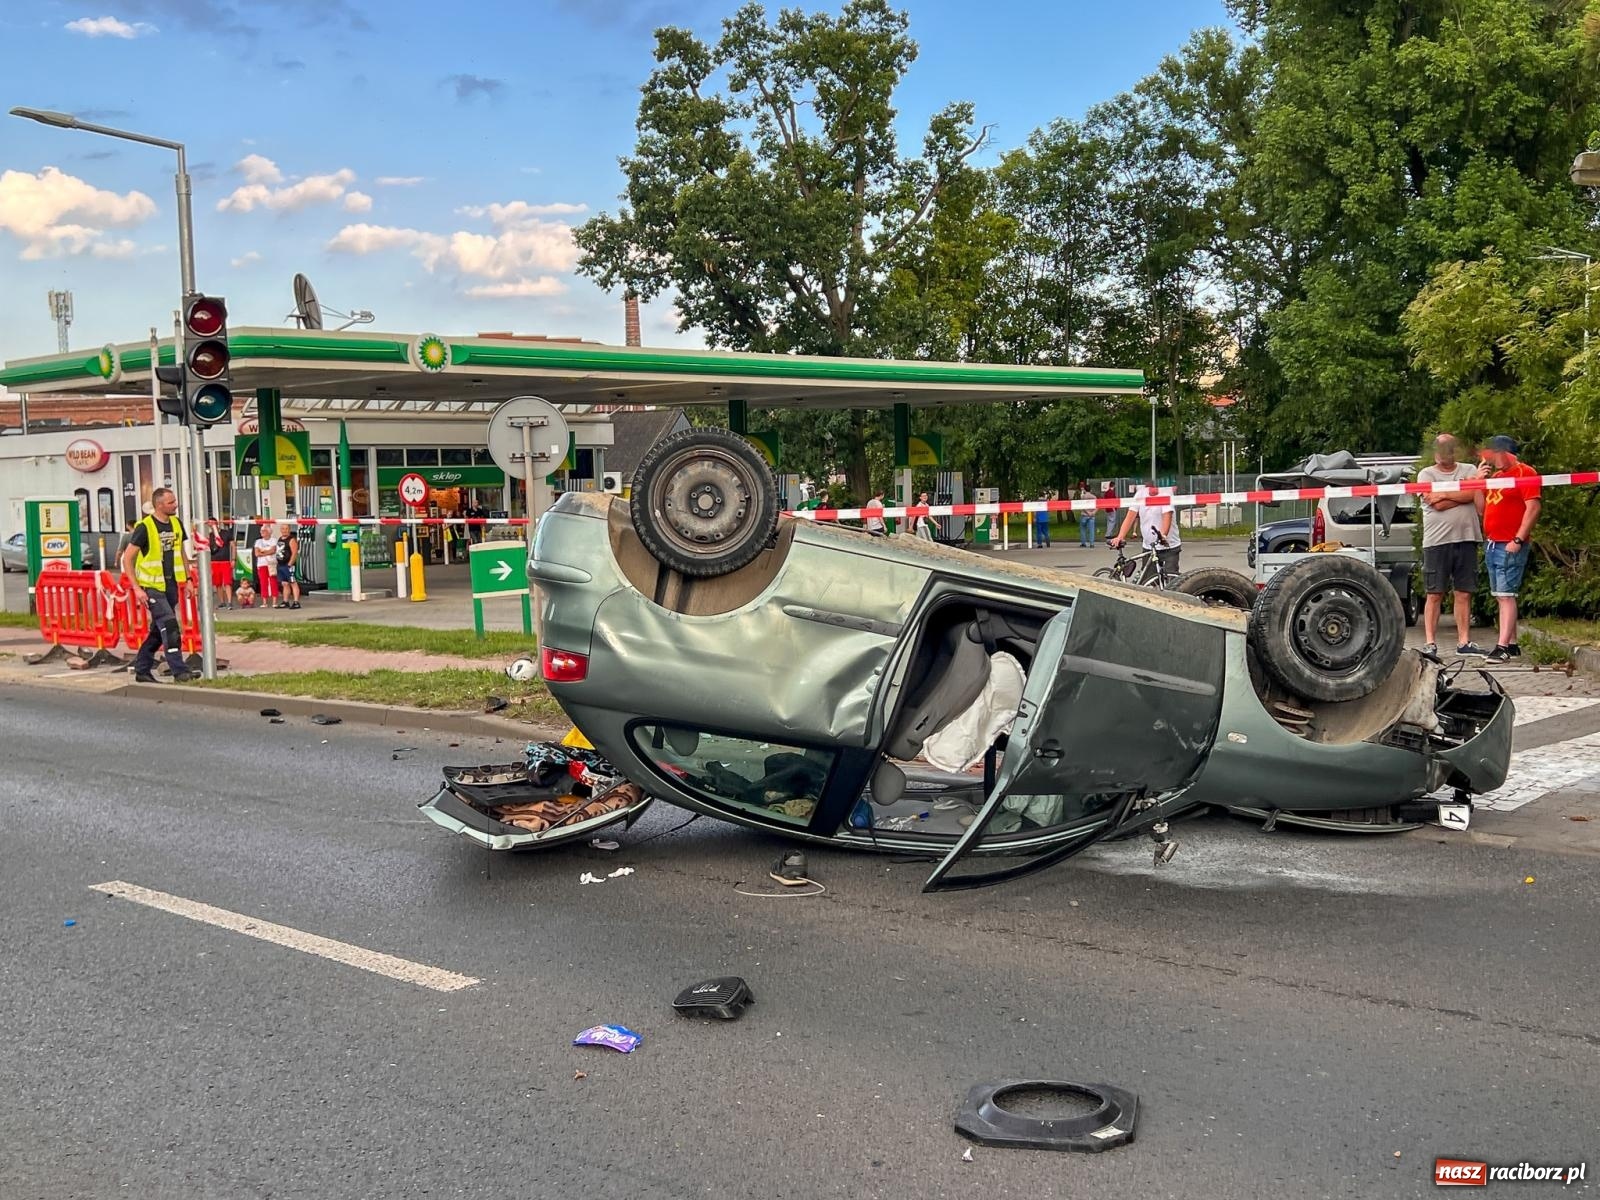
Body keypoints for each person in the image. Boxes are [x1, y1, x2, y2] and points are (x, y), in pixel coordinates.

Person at [1474, 435, 1541, 663]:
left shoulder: (1525, 473)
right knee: (1501, 594)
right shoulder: (1496, 477)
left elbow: (1533, 507)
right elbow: (1482, 509)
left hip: (1509, 541)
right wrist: (1478, 483)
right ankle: (1511, 643)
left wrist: (1519, 538)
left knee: (1506, 594)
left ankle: (1501, 646)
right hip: (1494, 541)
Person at [118, 486, 196, 684]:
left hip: (170, 585)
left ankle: (142, 669)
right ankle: (180, 671)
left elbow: (182, 553)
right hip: (151, 586)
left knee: (157, 631)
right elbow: (128, 559)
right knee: (170, 626)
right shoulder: (145, 527)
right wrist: (136, 588)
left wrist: (188, 579)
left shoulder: (176, 523)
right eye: (171, 502)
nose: (175, 505)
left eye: (175, 501)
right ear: (159, 505)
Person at [1416, 434, 1483, 658]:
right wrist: (1461, 493)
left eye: (1448, 449)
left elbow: (1472, 494)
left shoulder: (1469, 470)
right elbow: (1436, 503)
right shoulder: (1426, 474)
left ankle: (1464, 641)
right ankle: (1430, 642)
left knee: (1464, 592)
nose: (1443, 454)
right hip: (1437, 541)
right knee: (1434, 592)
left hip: (1467, 537)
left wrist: (1445, 492)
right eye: (1439, 449)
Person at [1110, 480, 1182, 576]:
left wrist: (1163, 535)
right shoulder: (1140, 494)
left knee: (1170, 579)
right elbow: (1130, 517)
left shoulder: (1166, 493)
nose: (1153, 490)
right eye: (1150, 487)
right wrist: (1120, 536)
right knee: (1148, 580)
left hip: (1169, 546)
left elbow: (1167, 516)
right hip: (1149, 546)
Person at [204, 518, 236, 610]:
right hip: (214, 561)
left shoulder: (226, 533)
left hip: (225, 561)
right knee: (218, 583)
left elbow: (233, 546)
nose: (211, 525)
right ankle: (222, 602)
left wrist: (233, 559)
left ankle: (229, 602)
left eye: (212, 523)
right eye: (209, 524)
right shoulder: (209, 536)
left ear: (217, 523)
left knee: (227, 582)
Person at [253, 524, 281, 608]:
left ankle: (274, 601)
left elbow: (273, 550)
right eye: (261, 531)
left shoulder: (274, 540)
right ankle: (264, 601)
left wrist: (263, 552)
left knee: (273, 581)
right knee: (263, 582)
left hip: (271, 563)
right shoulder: (258, 541)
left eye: (264, 531)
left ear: (269, 532)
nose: (262, 532)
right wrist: (266, 552)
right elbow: (257, 553)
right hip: (261, 564)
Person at [274, 522, 301, 610]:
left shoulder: (291, 540)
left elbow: (294, 553)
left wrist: (290, 564)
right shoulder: (280, 539)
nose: (284, 530)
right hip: (280, 565)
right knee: (284, 583)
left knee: (293, 582)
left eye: (286, 529)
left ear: (289, 530)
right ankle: (285, 601)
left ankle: (296, 602)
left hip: (288, 565)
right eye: (282, 529)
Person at [1075, 480, 1097, 548]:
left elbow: (1082, 506)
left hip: (1084, 515)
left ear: (1085, 489)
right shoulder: (1094, 497)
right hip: (1092, 515)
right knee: (1091, 530)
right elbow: (1098, 506)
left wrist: (1087, 512)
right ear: (1090, 489)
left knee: (1083, 529)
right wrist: (1093, 512)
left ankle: (1083, 543)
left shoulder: (1083, 497)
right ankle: (1092, 543)